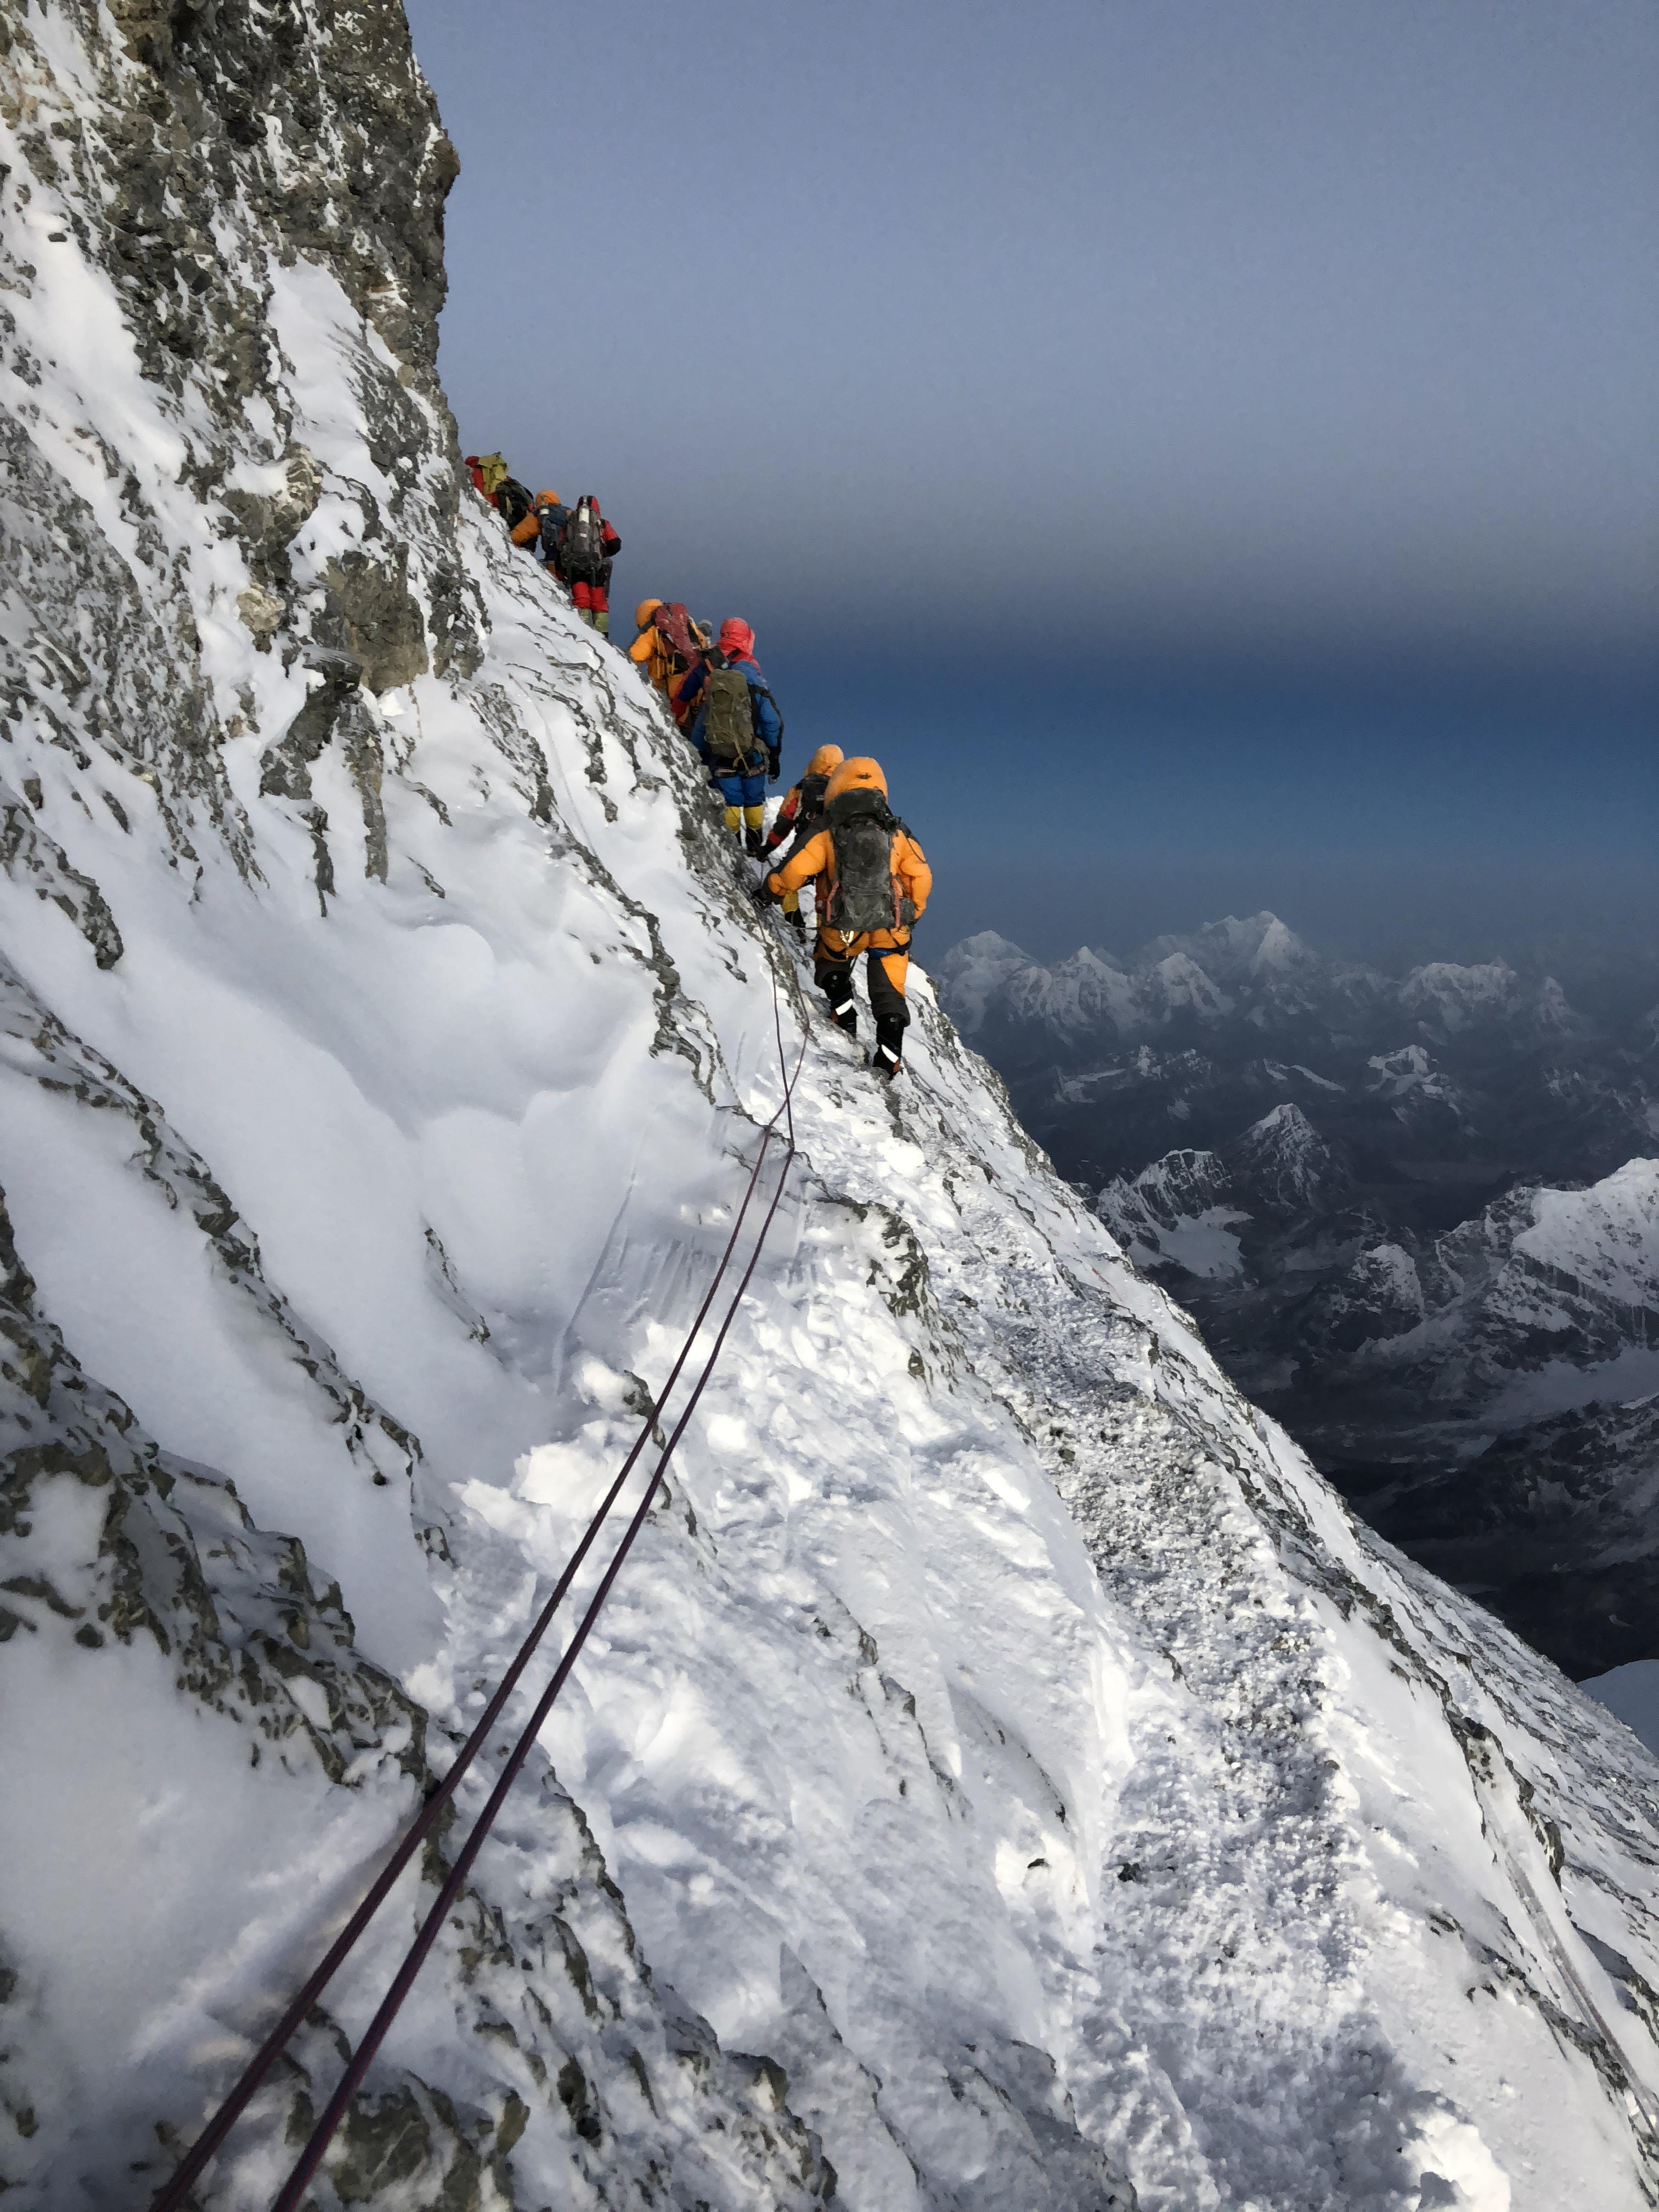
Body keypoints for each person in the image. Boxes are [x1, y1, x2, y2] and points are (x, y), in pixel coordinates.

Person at [762, 757, 930, 1081]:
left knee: (832, 965)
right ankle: (888, 1059)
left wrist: (768, 892)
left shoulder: (826, 828)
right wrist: (912, 912)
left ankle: (844, 1014)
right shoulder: (895, 830)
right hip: (890, 925)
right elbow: (921, 876)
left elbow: (794, 872)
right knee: (889, 991)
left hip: (842, 924)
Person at [680, 619, 783, 853]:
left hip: (720, 756)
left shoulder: (715, 682)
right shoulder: (755, 680)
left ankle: (734, 853)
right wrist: (774, 754)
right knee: (754, 798)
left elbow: (701, 725)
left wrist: (695, 755)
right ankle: (755, 850)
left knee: (731, 801)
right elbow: (772, 721)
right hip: (754, 754)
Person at [762, 743, 844, 938]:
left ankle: (795, 921)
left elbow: (785, 822)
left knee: (787, 882)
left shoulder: (802, 789)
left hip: (805, 850)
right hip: (833, 854)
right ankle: (824, 941)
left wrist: (769, 846)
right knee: (825, 896)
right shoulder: (844, 792)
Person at [557, 495, 622, 633]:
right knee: (599, 604)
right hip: (596, 569)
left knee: (582, 600)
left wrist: (561, 572)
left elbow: (561, 547)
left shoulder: (570, 522)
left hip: (575, 569)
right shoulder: (602, 523)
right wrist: (602, 553)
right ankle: (602, 638)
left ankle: (582, 633)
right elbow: (615, 544)